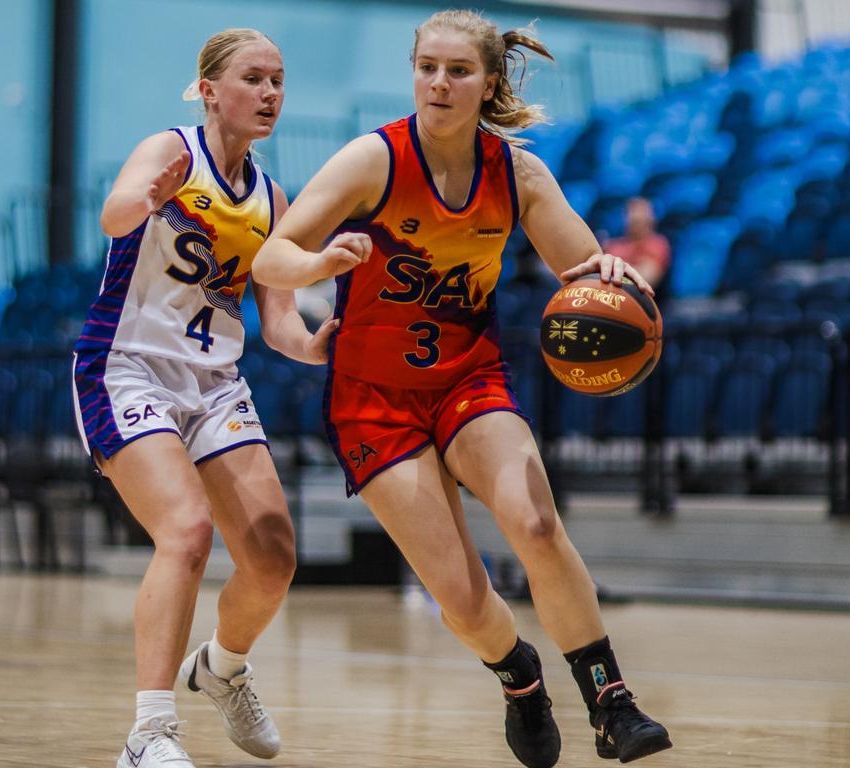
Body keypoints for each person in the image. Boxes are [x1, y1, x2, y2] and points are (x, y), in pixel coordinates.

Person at [252, 9, 672, 768]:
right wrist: (318, 266)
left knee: (537, 526)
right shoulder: (370, 161)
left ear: (487, 82)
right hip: (371, 399)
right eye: (427, 68)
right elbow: (270, 259)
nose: (440, 84)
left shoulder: (516, 173)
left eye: (458, 70)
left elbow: (582, 271)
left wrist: (609, 275)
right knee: (465, 599)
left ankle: (613, 702)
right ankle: (520, 679)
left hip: (466, 379)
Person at [72, 29, 335, 768]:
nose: (271, 93)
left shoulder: (272, 197)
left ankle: (219, 667)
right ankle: (148, 733)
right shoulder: (171, 151)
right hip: (126, 367)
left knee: (274, 557)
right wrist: (140, 199)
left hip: (215, 381)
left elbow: (278, 320)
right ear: (211, 89)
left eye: (279, 80)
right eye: (254, 78)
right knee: (186, 533)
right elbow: (115, 212)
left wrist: (315, 345)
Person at [602, 197, 672, 290]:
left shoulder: (658, 244)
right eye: (632, 212)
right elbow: (602, 274)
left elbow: (646, 279)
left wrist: (615, 270)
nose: (634, 216)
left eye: (640, 213)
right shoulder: (615, 245)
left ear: (651, 220)